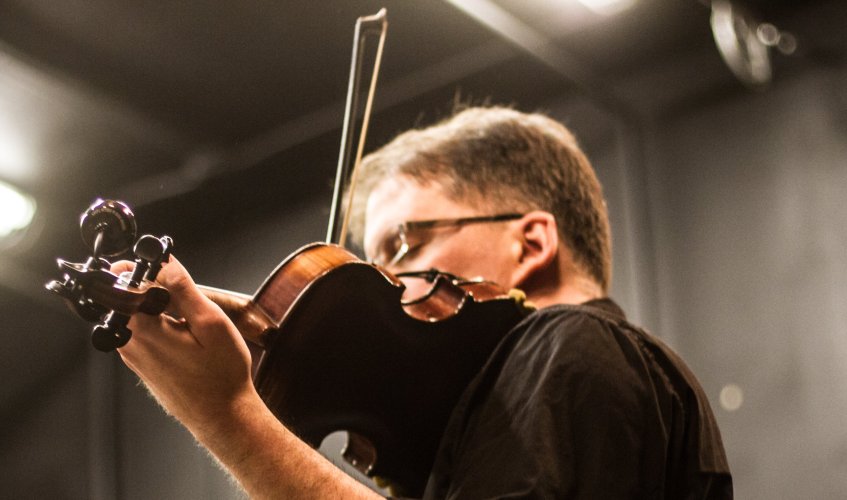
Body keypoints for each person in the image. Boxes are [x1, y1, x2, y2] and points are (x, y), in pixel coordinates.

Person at [114, 106, 733, 499]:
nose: (379, 282)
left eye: (403, 244)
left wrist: (230, 418)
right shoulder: (495, 410)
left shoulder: (571, 343)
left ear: (532, 241)